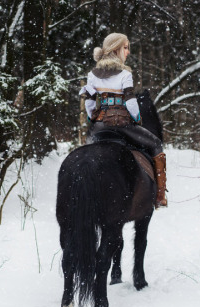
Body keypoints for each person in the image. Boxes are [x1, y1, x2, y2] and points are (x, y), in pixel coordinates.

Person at [79, 32, 167, 208]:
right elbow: (131, 102)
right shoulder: (124, 74)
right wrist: (137, 118)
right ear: (116, 49)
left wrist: (93, 118)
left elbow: (89, 101)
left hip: (99, 127)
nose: (127, 52)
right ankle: (160, 196)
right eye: (125, 48)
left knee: (85, 155)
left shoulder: (93, 74)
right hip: (122, 125)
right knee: (156, 144)